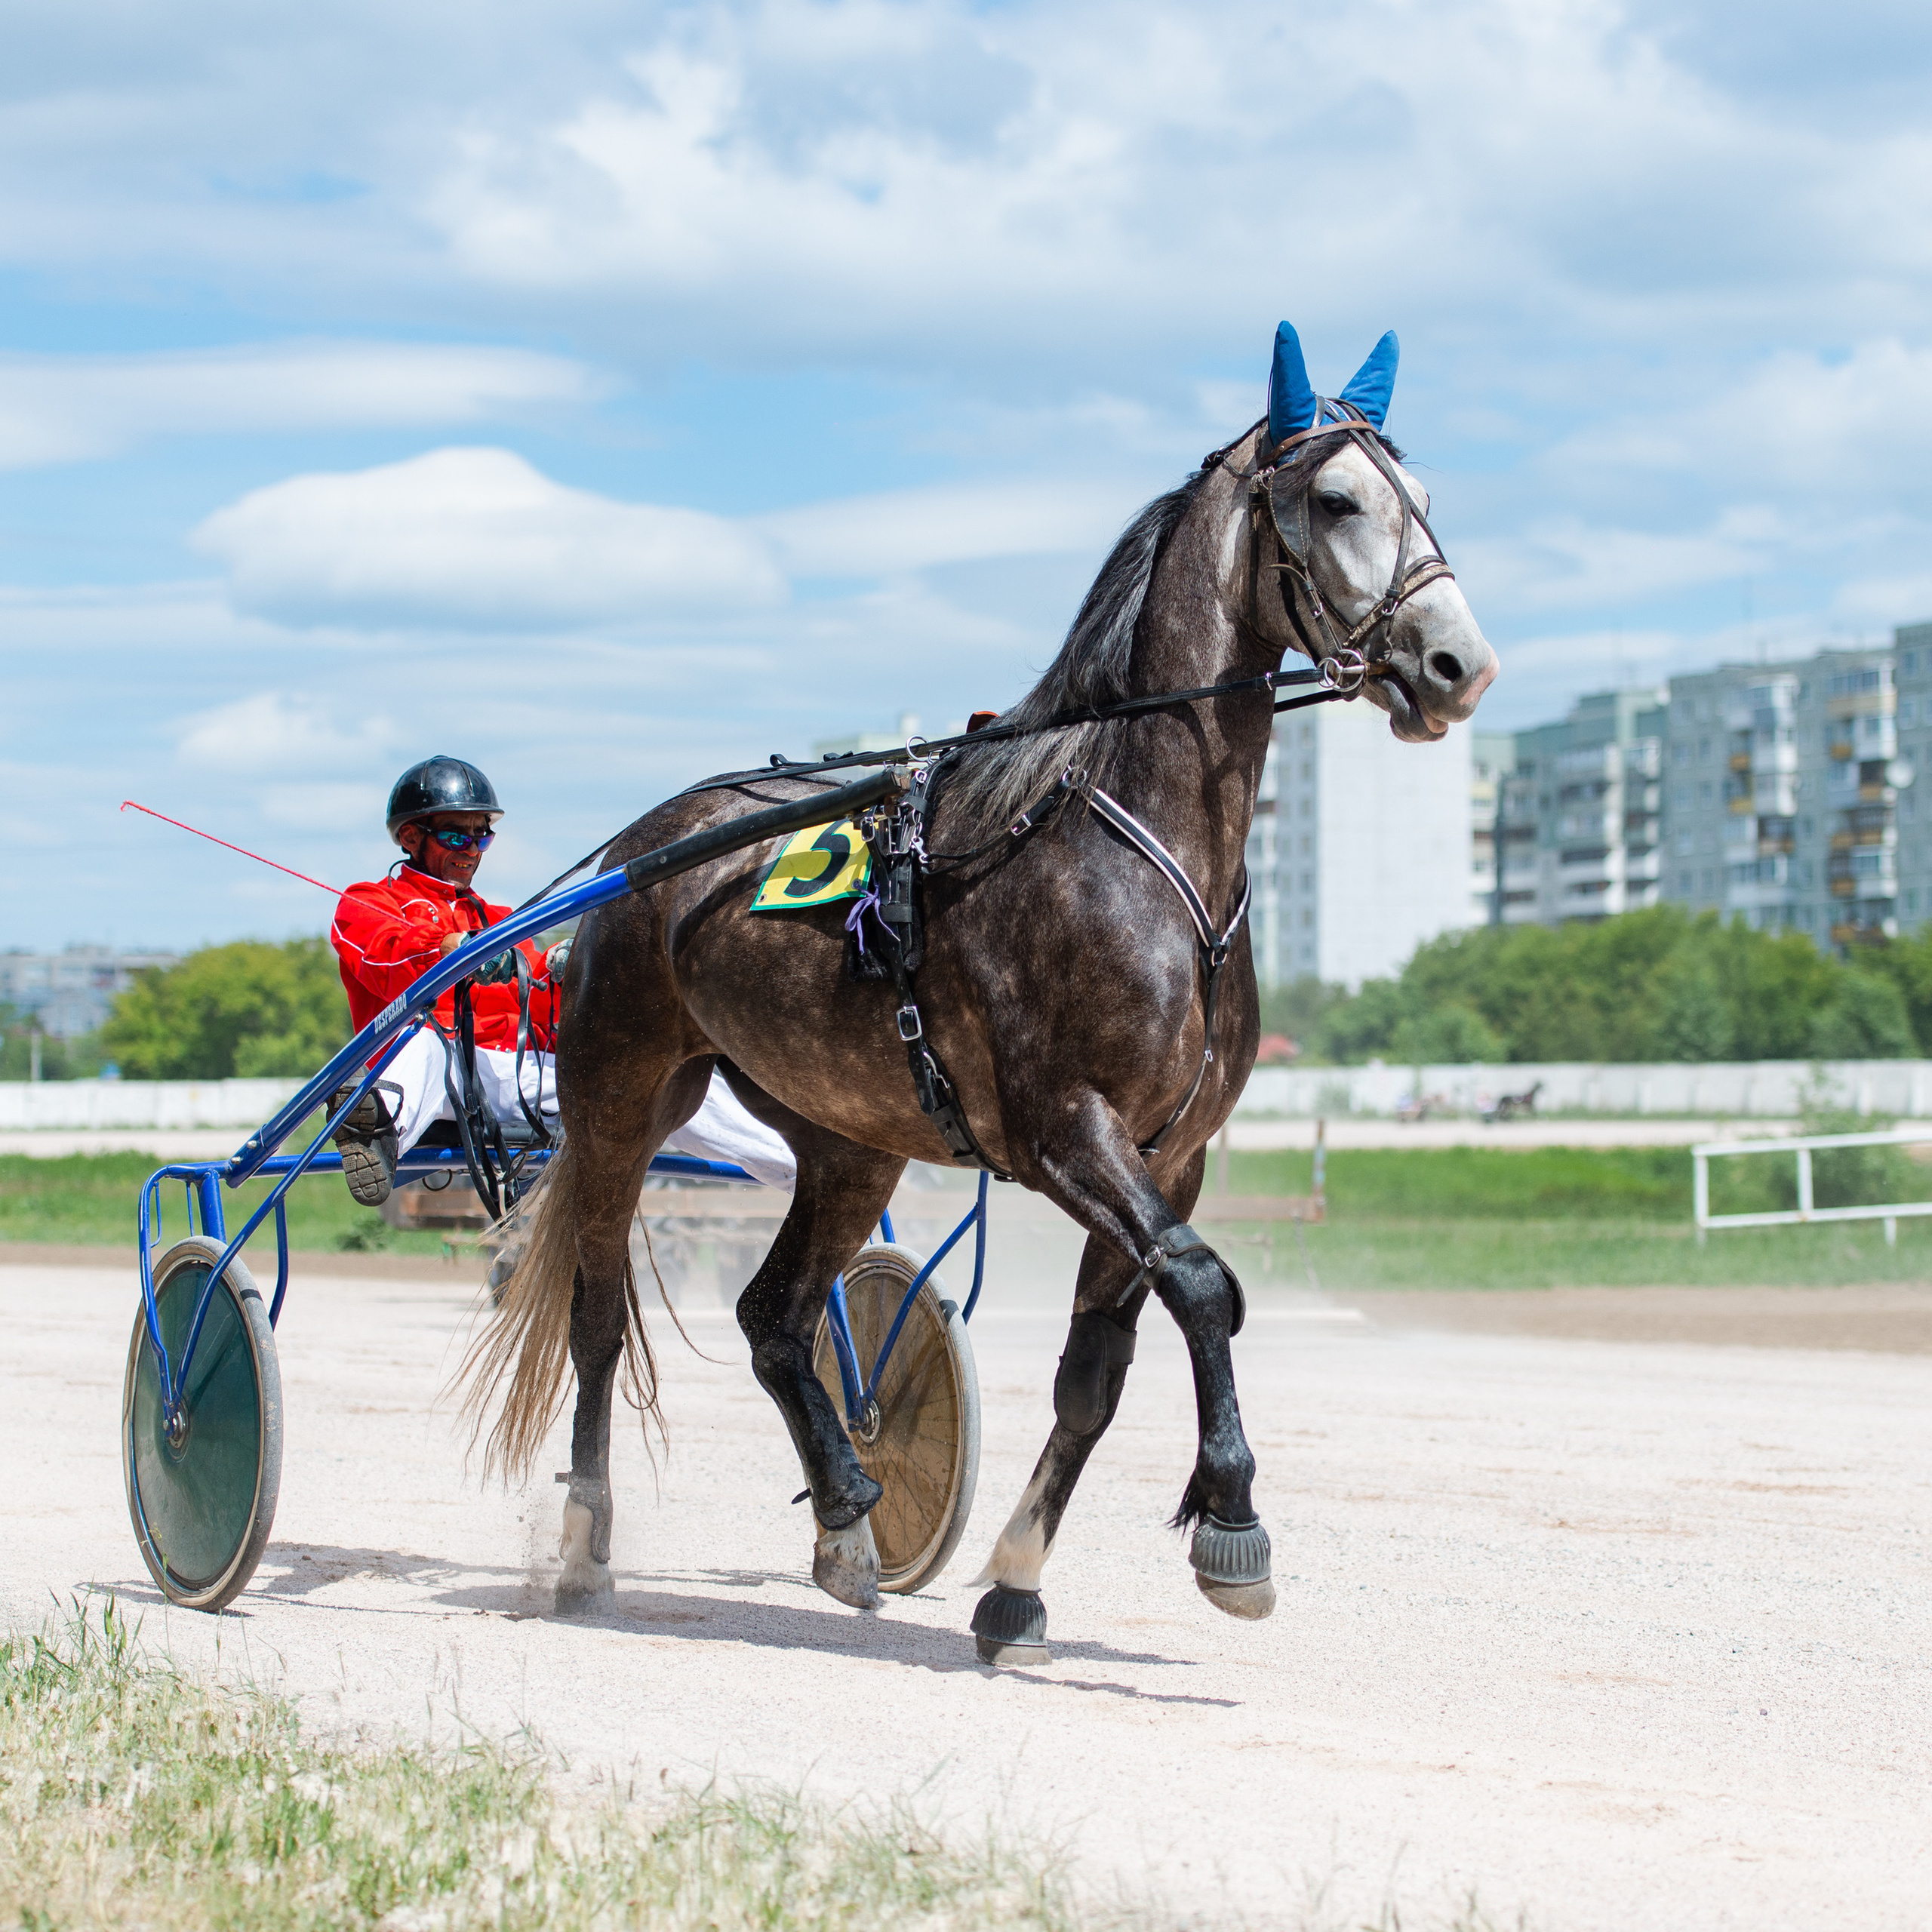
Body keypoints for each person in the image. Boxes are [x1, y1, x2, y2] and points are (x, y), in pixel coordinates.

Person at [327, 755, 795, 1207]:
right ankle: (371, 1128)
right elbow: (384, 958)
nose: (471, 851)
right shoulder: (366, 901)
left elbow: (546, 1007)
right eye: (456, 836)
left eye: (481, 838)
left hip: (512, 1079)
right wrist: (448, 950)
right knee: (423, 1046)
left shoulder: (497, 918)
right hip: (436, 1076)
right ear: (411, 836)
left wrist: (571, 970)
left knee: (663, 1075)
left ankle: (809, 1171)